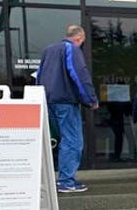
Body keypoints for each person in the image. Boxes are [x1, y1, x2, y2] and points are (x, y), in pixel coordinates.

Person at [37, 25, 98, 193]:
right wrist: (91, 100)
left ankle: (60, 179)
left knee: (61, 139)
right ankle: (66, 180)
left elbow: (39, 75)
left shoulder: (48, 50)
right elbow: (79, 75)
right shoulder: (71, 49)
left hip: (48, 101)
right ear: (80, 38)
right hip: (65, 101)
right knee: (72, 140)